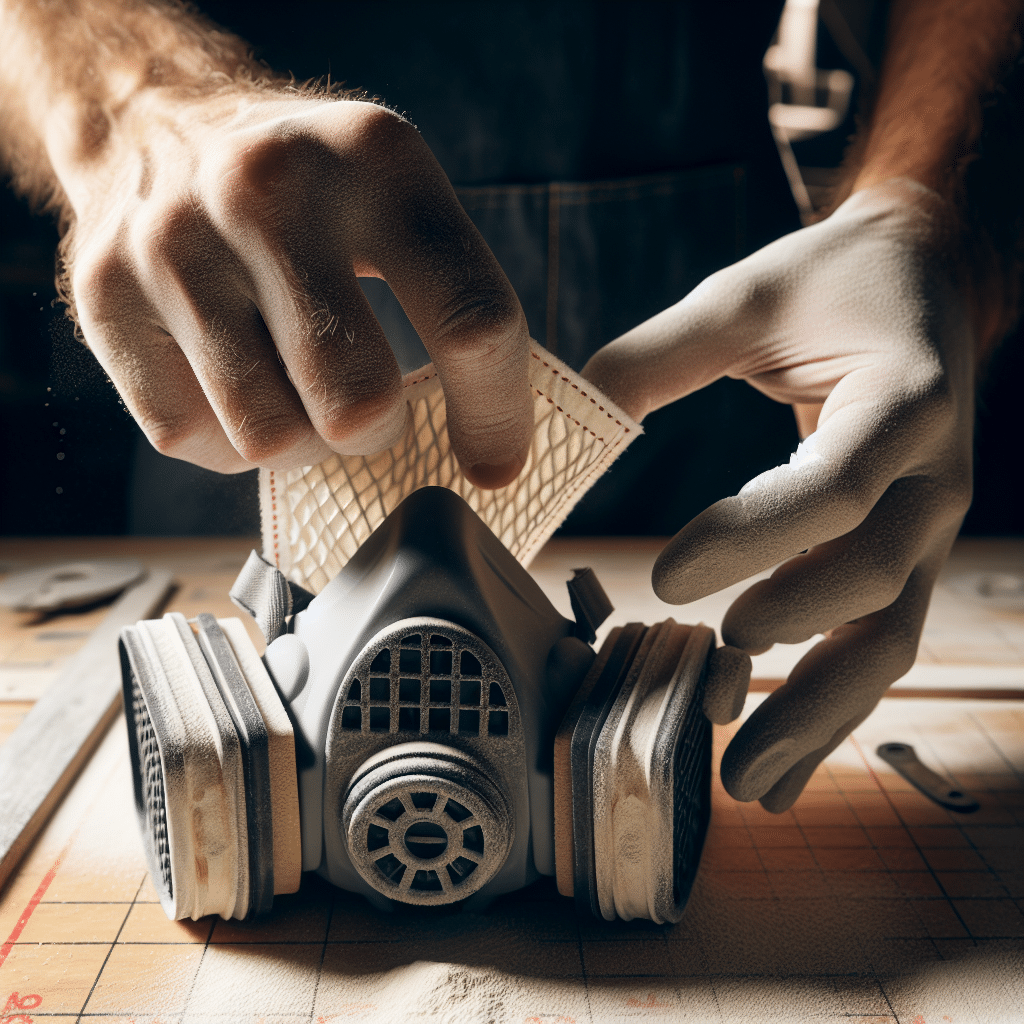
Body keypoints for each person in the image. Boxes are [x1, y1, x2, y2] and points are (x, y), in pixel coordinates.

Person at [1, 0, 1020, 812]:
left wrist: (930, 204)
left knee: (719, 644)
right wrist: (130, 98)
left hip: (721, 380)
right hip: (242, 360)